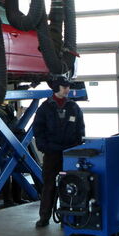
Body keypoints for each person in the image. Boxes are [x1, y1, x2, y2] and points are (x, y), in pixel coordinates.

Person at [32, 76, 85, 228]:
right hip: (52, 154)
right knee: (49, 186)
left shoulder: (73, 107)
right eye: (64, 87)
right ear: (56, 88)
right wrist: (45, 147)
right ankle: (44, 217)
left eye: (68, 87)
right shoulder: (45, 108)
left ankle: (67, 218)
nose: (67, 89)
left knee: (69, 186)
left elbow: (80, 129)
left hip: (70, 154)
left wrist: (77, 147)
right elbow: (38, 130)